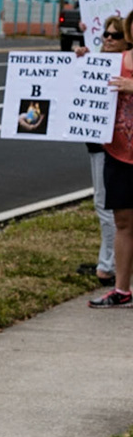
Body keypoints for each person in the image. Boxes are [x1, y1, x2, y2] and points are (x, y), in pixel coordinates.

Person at [78, 16, 127, 290]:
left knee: (107, 206)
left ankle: (107, 267)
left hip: (112, 146)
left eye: (115, 35)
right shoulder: (99, 61)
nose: (108, 38)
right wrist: (81, 56)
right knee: (109, 206)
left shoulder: (125, 67)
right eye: (105, 35)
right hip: (98, 143)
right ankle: (108, 262)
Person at [92, 17, 133, 308]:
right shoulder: (115, 60)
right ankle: (121, 289)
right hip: (119, 151)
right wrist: (82, 60)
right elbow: (86, 80)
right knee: (123, 221)